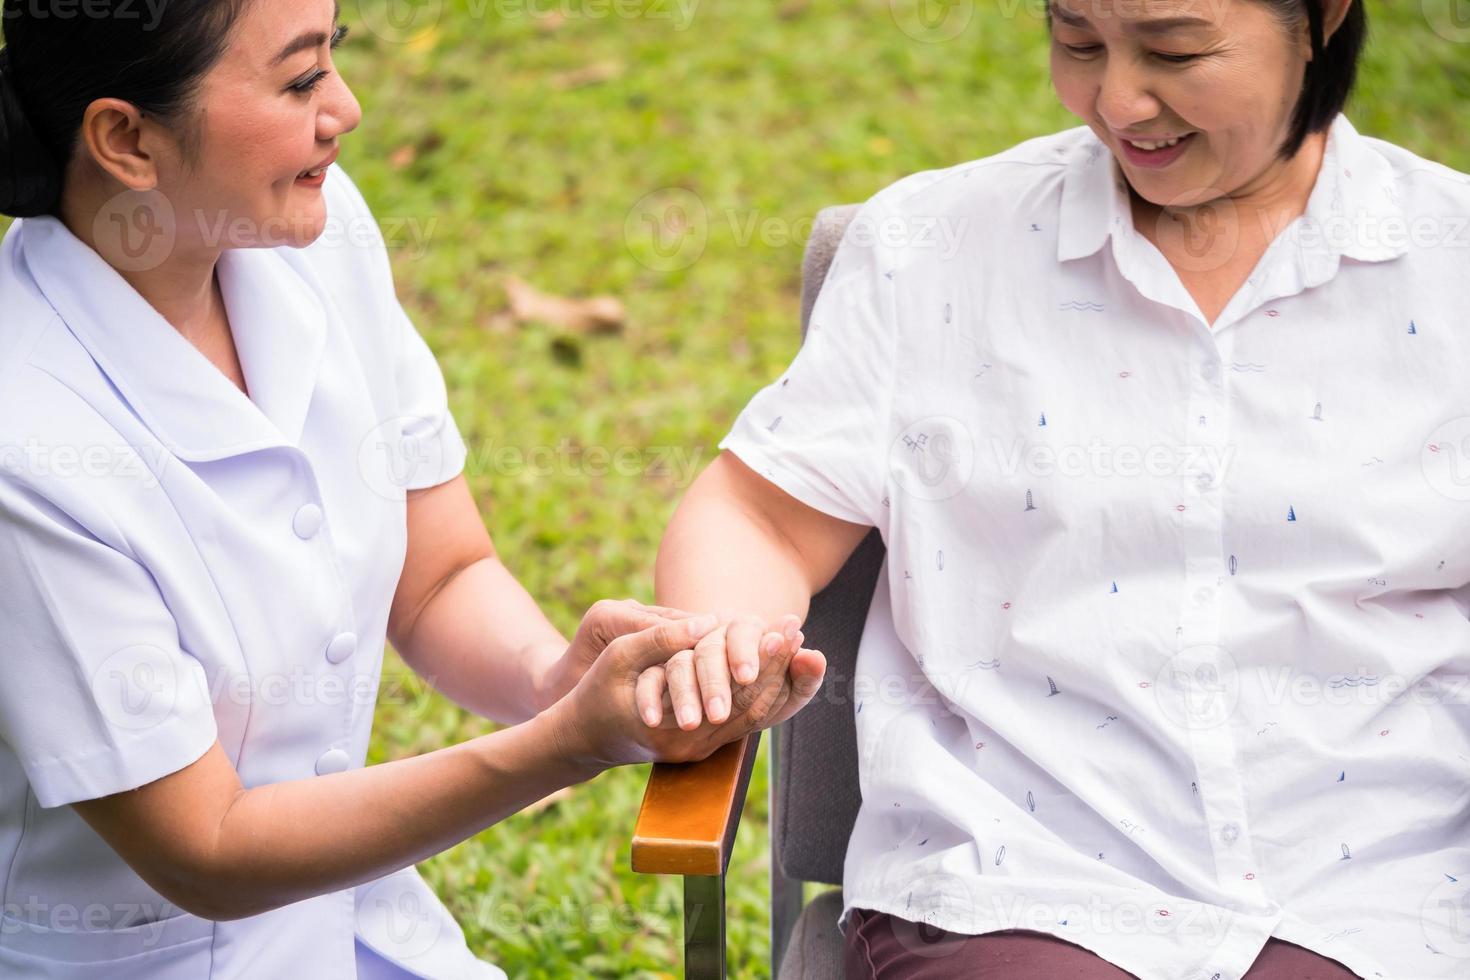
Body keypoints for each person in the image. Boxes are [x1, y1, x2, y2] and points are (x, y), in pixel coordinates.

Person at [0, 1, 825, 977]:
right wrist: (565, 740)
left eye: (333, 59)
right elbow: (209, 847)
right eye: (301, 79)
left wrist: (549, 674)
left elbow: (439, 574)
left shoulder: (314, 230)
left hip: (356, 926)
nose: (344, 109)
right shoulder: (29, 444)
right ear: (125, 139)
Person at [647, 0, 1470, 977]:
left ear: (1322, 19)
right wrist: (727, 638)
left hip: (1384, 897)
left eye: (1174, 49)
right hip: (1015, 887)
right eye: (1077, 40)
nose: (1117, 98)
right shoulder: (937, 250)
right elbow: (758, 513)